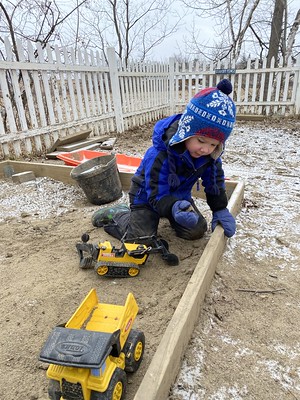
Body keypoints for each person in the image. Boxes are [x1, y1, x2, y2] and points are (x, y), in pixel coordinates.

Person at [92, 79, 236, 243]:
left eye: (214, 144)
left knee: (196, 230)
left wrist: (220, 209)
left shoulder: (210, 156)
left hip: (179, 198)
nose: (206, 149)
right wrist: (172, 208)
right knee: (141, 240)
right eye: (201, 141)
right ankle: (119, 215)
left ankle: (172, 212)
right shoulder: (160, 154)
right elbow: (155, 193)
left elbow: (214, 183)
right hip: (147, 198)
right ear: (186, 131)